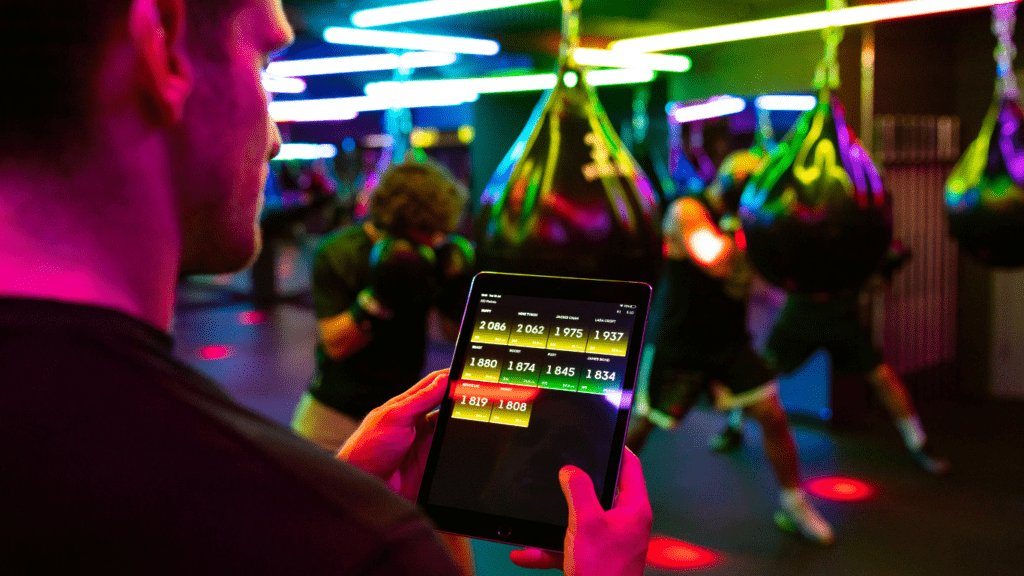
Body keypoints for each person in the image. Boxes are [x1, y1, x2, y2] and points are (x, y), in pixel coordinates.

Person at [0, 1, 652, 573]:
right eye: (263, 66)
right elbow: (339, 345)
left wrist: (345, 493)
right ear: (162, 40)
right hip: (331, 414)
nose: (280, 139)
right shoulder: (330, 540)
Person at [627, 150, 835, 545]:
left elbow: (753, 275)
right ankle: (600, 496)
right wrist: (761, 240)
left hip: (728, 343)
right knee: (644, 423)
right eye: (747, 183)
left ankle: (793, 504)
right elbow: (719, 262)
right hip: (680, 341)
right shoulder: (687, 211)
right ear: (731, 181)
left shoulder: (749, 222)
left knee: (773, 415)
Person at [711, 244, 950, 475]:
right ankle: (734, 428)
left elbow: (871, 275)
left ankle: (918, 443)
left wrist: (882, 269)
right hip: (801, 315)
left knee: (882, 376)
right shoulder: (802, 228)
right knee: (759, 374)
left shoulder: (854, 230)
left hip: (840, 315)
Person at [291, 159, 472, 450]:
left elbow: (454, 334)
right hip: (336, 415)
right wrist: (381, 296)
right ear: (399, 221)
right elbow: (336, 345)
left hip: (401, 411)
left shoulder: (433, 254)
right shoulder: (339, 253)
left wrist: (457, 293)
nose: (435, 239)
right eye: (427, 230)